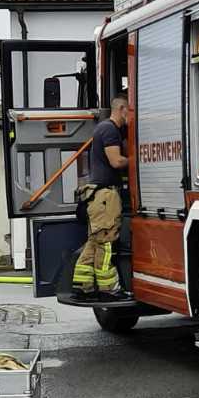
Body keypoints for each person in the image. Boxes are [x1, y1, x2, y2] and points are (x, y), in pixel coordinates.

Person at [73, 96, 130, 300]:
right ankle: (108, 289)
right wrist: (138, 159)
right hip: (105, 196)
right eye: (129, 111)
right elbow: (116, 161)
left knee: (95, 242)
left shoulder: (104, 129)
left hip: (97, 196)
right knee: (106, 243)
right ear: (122, 109)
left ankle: (82, 285)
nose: (130, 115)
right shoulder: (109, 130)